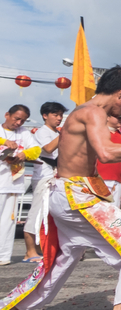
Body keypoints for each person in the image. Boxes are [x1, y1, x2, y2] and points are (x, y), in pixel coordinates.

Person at [0, 67, 121, 310]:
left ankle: (17, 308)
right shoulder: (93, 112)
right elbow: (107, 153)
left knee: (63, 257)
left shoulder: (82, 111)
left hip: (68, 194)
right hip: (76, 197)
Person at [22, 102, 66, 263]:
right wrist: (64, 134)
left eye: (61, 115)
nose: (59, 118)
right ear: (45, 116)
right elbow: (47, 149)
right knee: (37, 213)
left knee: (51, 215)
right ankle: (29, 251)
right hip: (43, 177)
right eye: (56, 115)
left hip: (57, 176)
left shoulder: (57, 132)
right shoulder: (42, 132)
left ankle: (45, 248)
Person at [0, 105, 40, 266]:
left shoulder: (24, 133)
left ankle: (3, 255)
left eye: (22, 120)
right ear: (7, 115)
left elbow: (37, 149)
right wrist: (5, 142)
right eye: (16, 118)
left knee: (8, 222)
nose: (19, 123)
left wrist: (25, 154)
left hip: (13, 183)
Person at [95, 114, 121, 208]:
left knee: (114, 213)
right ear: (107, 117)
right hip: (99, 180)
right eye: (118, 117)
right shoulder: (98, 133)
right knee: (99, 212)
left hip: (117, 182)